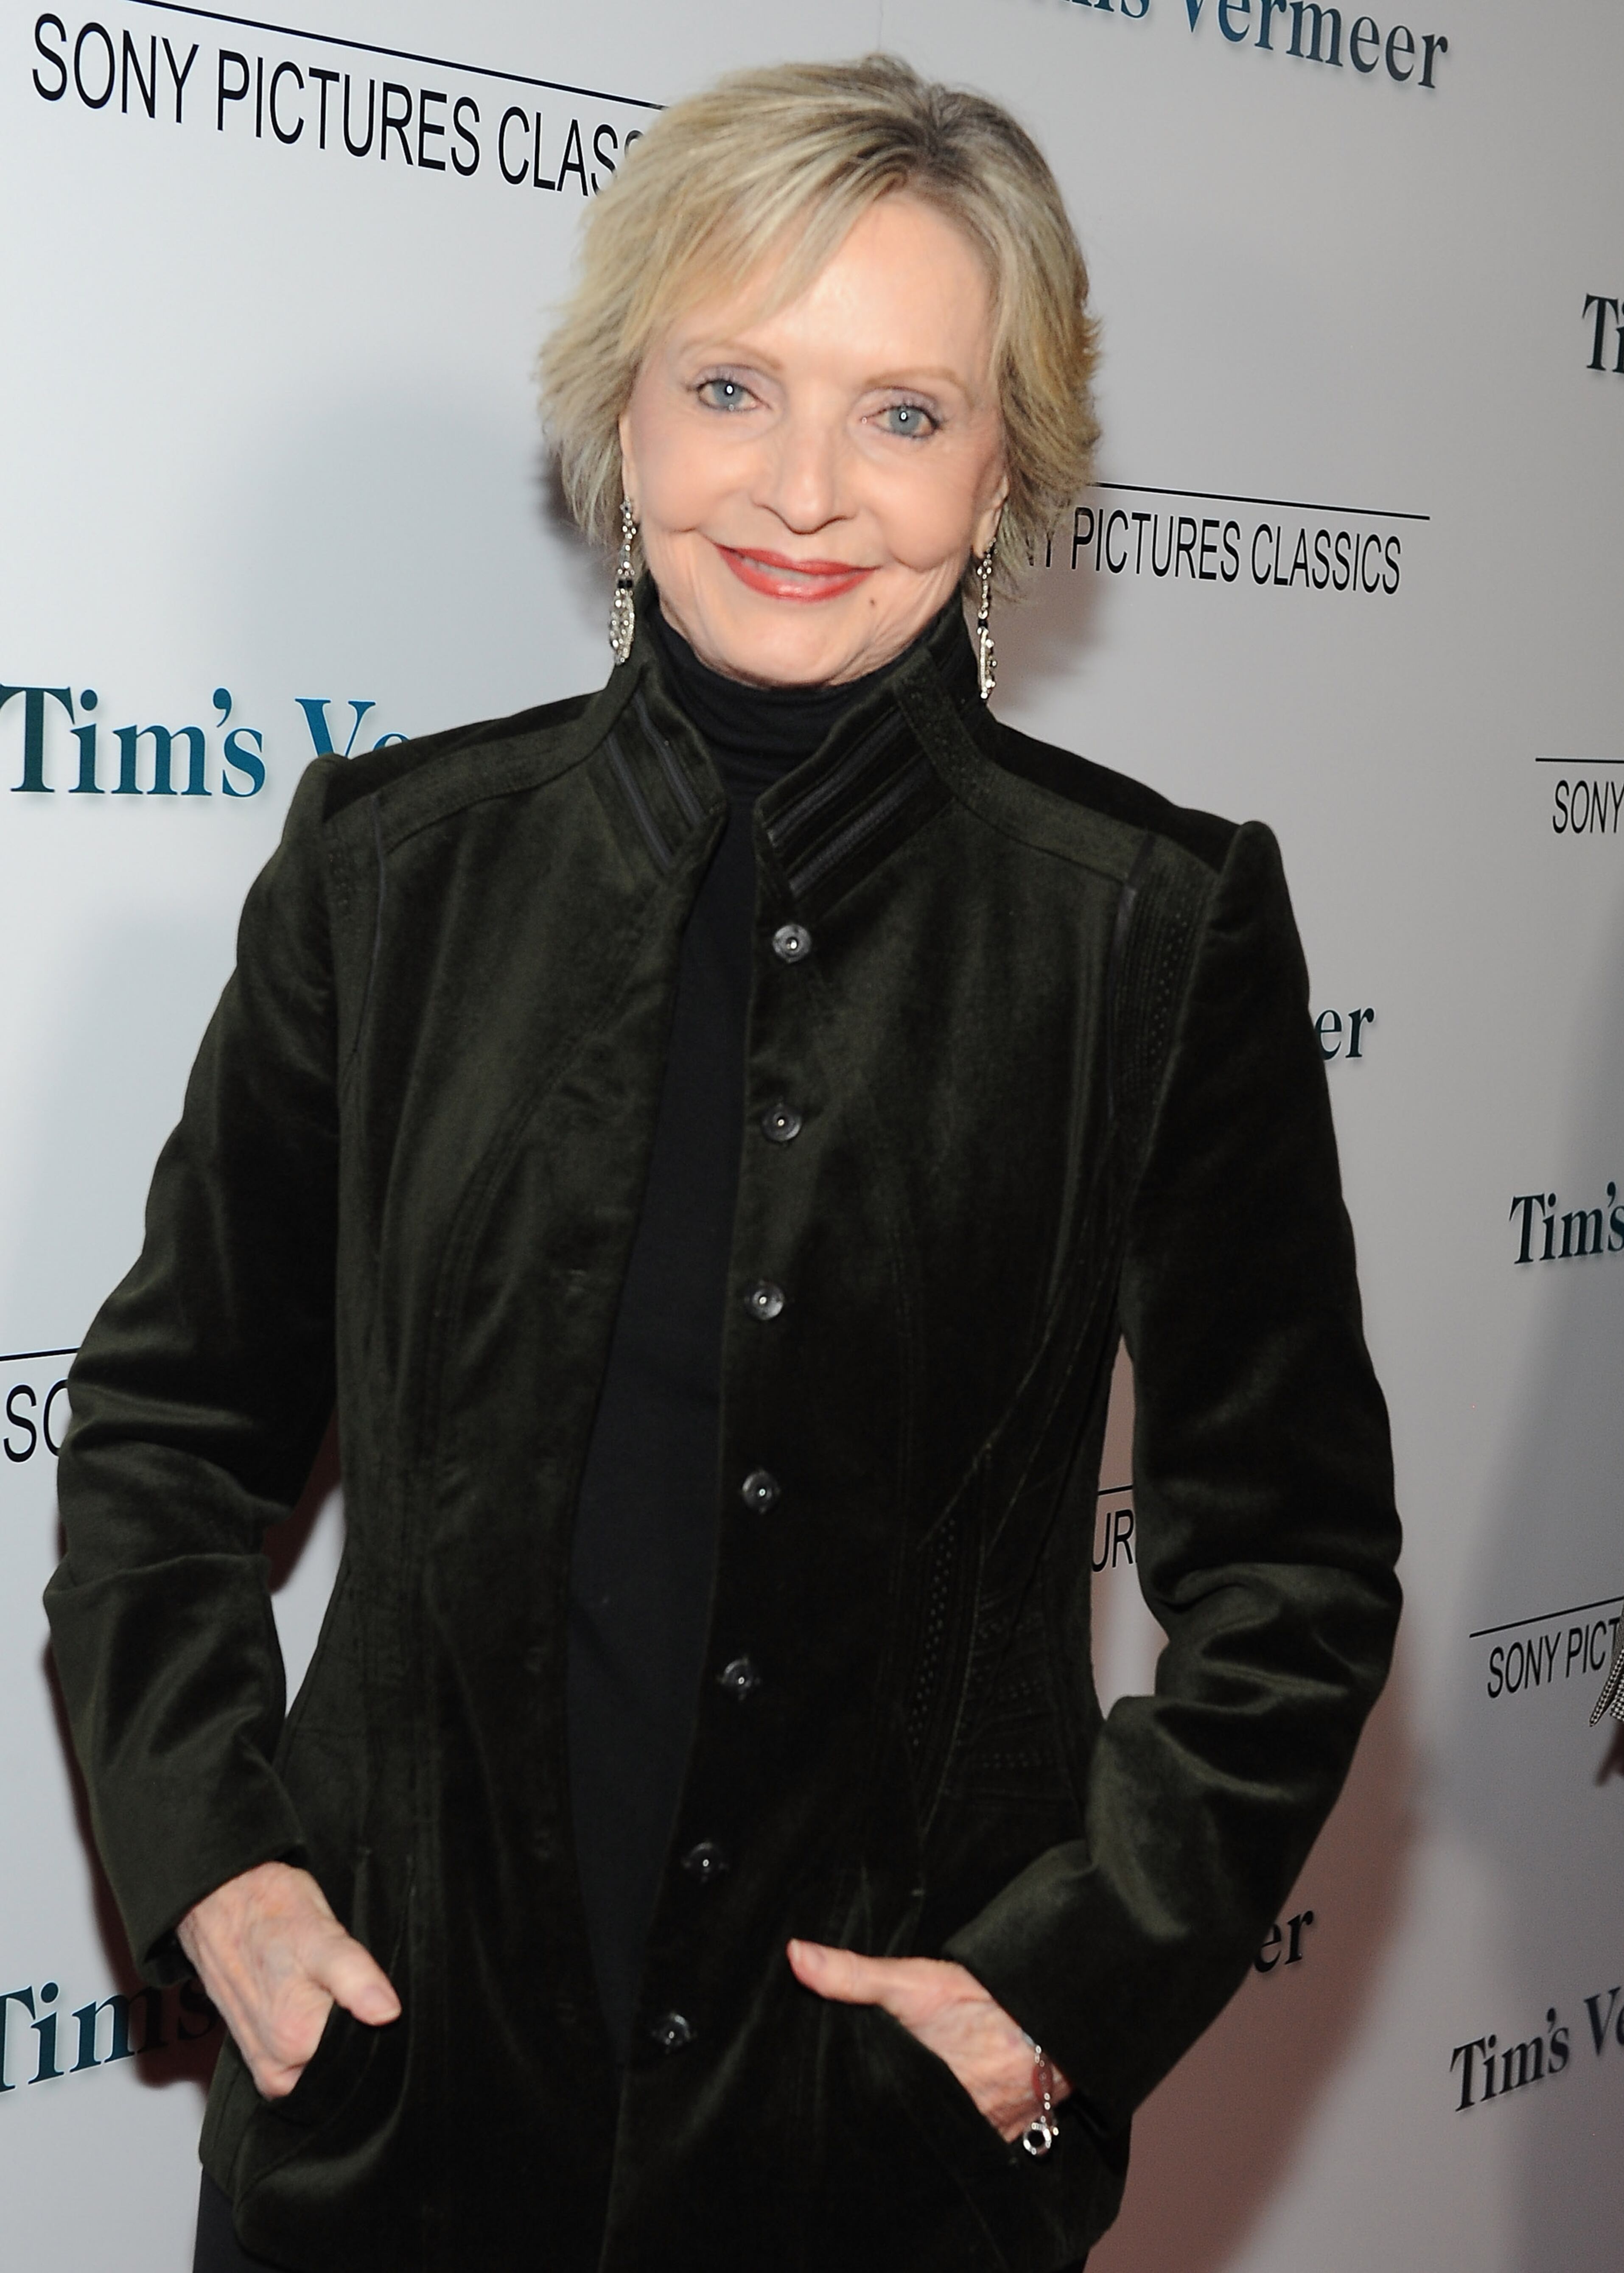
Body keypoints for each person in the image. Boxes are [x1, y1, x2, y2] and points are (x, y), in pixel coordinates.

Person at [45, 53, 1402, 2273]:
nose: (803, 488)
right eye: (733, 385)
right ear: (624, 417)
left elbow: (1297, 1565)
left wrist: (1068, 1983)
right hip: (396, 2130)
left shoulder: (1147, 926)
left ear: (1004, 465)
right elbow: (175, 1426)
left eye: (902, 411)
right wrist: (217, 1864)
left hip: (868, 2160)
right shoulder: (392, 873)